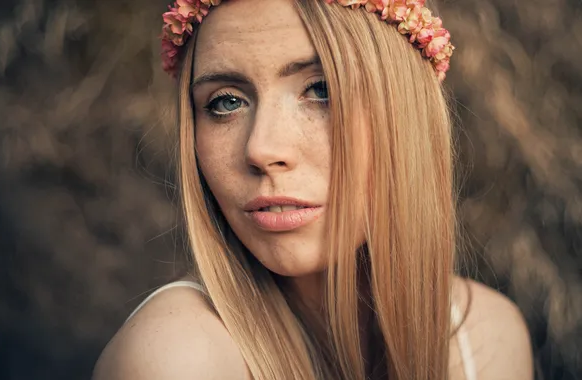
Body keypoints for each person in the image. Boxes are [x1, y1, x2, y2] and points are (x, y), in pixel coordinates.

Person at [93, 1, 533, 379]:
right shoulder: (175, 358)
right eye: (226, 101)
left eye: (321, 89)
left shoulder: (488, 335)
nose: (262, 149)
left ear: (409, 112)